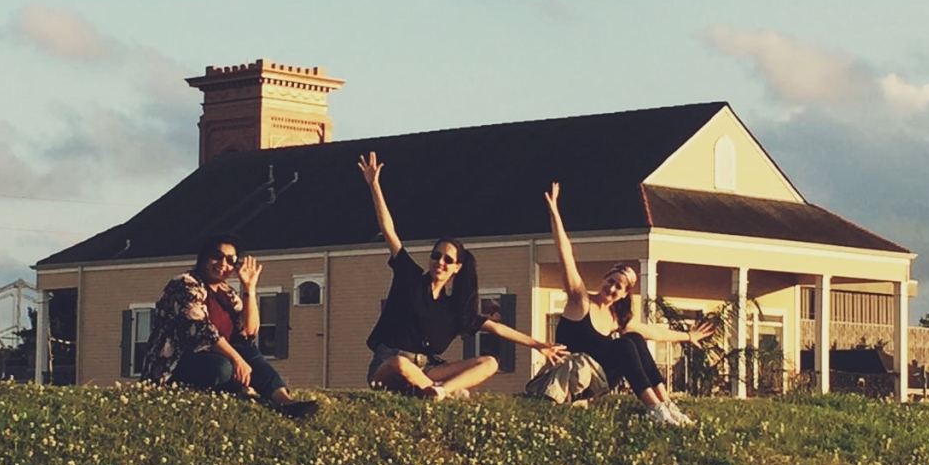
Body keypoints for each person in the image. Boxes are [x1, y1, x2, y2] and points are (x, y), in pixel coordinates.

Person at [359, 152, 566, 399]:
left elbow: (497, 329)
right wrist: (374, 185)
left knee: (489, 362)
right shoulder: (409, 278)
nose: (440, 263)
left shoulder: (453, 309)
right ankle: (433, 391)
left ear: (457, 267)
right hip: (389, 366)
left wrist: (538, 345)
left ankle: (438, 392)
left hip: (429, 369)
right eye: (436, 256)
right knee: (401, 365)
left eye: (448, 260)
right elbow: (389, 231)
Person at [545, 182, 711, 426]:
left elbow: (653, 332)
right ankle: (654, 409)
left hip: (599, 380)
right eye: (611, 282)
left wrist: (688, 337)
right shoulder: (580, 302)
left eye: (619, 287)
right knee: (624, 344)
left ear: (624, 294)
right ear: (604, 279)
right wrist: (555, 213)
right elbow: (565, 256)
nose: (612, 289)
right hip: (575, 376)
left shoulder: (616, 318)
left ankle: (666, 405)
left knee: (634, 339)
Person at [142, 234, 319, 419]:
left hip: (219, 357)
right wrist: (237, 359)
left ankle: (285, 402)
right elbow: (200, 329)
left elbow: (249, 332)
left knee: (249, 352)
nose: (222, 264)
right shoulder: (184, 284)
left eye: (230, 260)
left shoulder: (228, 293)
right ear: (203, 257)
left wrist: (249, 289)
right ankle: (239, 389)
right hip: (178, 362)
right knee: (223, 367)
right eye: (216, 256)